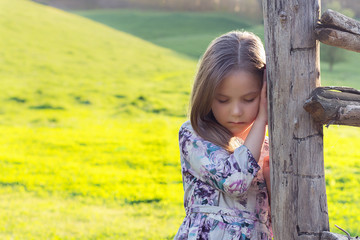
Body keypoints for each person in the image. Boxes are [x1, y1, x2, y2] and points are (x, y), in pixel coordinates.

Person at [174, 31, 272, 240]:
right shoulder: (195, 136)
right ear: (206, 95)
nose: (236, 111)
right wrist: (262, 116)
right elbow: (234, 180)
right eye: (223, 100)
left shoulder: (270, 149)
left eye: (248, 99)